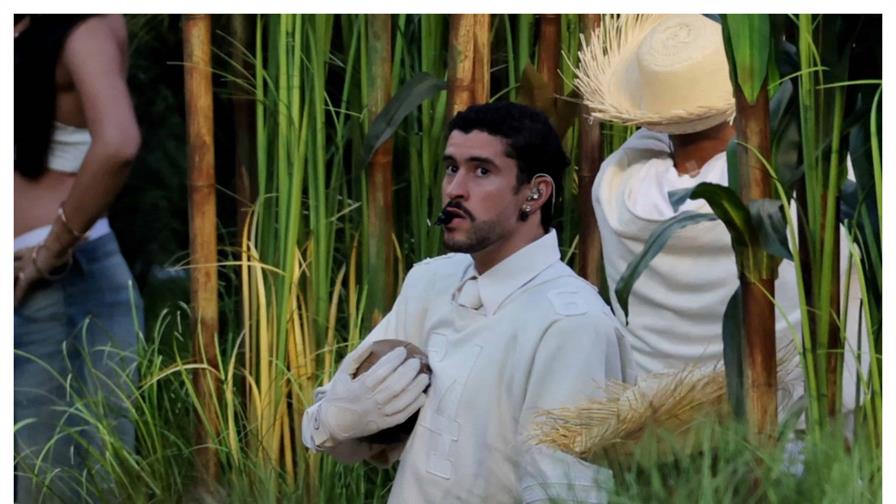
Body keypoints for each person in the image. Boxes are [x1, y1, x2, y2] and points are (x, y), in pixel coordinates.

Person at [301, 101, 633, 502]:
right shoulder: (430, 281)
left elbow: (564, 495)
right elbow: (334, 428)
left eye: (481, 171)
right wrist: (339, 418)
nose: (455, 189)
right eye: (451, 167)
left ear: (535, 193)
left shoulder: (572, 326)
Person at [574, 14, 864, 416]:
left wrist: (666, 100)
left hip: (666, 430)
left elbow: (648, 138)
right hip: (801, 422)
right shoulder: (796, 182)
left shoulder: (616, 187)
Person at [14, 14, 142, 503]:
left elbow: (118, 143)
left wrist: (51, 251)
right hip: (33, 289)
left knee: (63, 486)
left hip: (60, 287)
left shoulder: (82, 23)